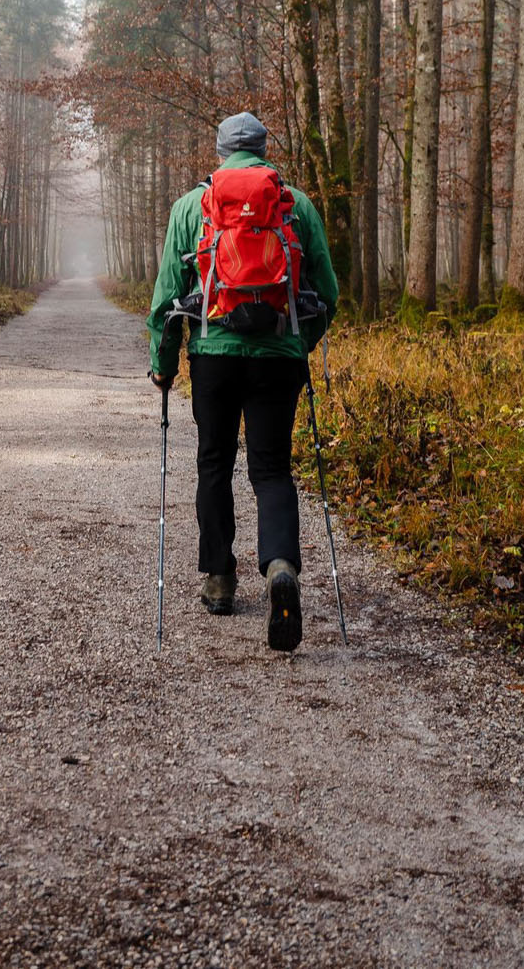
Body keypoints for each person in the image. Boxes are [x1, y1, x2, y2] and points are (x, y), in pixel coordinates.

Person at [146, 112, 337, 652]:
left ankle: (219, 579)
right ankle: (280, 566)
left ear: (221, 150)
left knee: (214, 462)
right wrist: (299, 343)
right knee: (272, 468)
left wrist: (164, 364)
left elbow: (167, 297)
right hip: (278, 354)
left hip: (214, 353)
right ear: (264, 149)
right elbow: (327, 290)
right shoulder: (294, 206)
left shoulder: (193, 206)